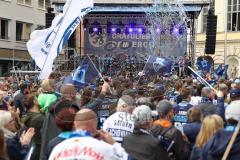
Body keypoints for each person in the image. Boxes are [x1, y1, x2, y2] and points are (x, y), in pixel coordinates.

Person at [48, 108, 128, 160]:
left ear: (75, 124)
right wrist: (114, 144)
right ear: (95, 125)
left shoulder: (58, 149)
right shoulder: (105, 149)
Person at [21, 93, 45, 160]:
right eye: (37, 98)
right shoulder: (39, 118)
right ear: (34, 101)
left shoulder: (27, 115)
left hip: (32, 147)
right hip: (39, 149)